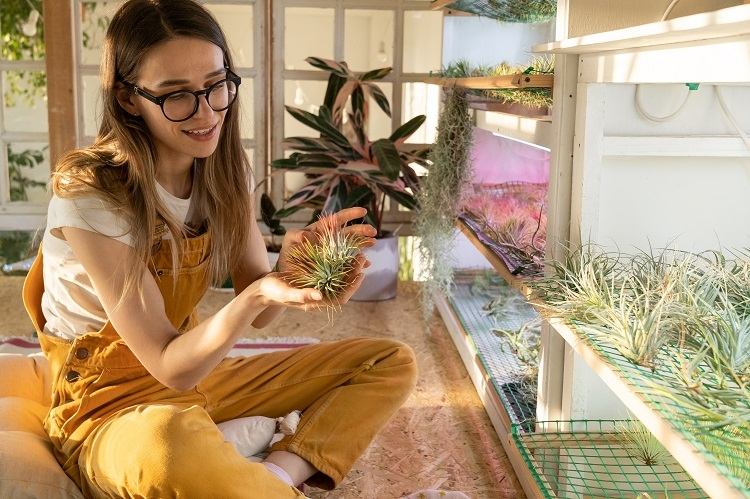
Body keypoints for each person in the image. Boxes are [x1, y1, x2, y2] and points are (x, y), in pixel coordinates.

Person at [21, 1, 418, 497]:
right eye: (176, 96)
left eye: (216, 84)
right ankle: (235, 465)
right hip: (104, 404)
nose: (206, 112)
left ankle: (276, 475)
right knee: (167, 445)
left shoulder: (222, 169)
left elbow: (260, 313)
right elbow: (171, 364)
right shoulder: (92, 194)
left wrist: (290, 272)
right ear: (127, 98)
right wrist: (255, 298)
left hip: (198, 378)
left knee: (390, 361)